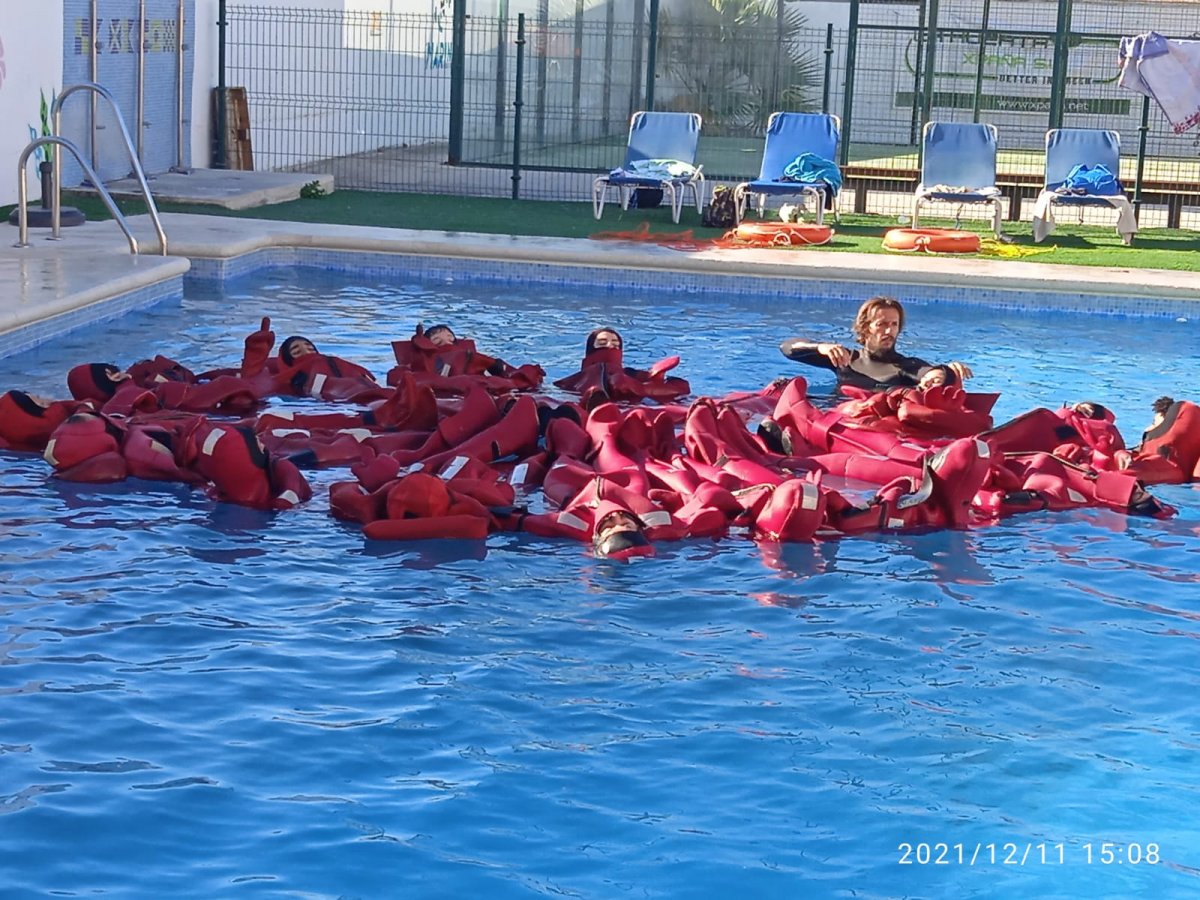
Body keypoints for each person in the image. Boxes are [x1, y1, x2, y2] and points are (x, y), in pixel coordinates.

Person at [779, 295, 972, 393]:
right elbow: (787, 348)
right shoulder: (845, 359)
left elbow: (927, 372)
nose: (889, 331)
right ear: (865, 327)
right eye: (882, 325)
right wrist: (820, 347)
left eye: (894, 325)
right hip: (838, 420)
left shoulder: (904, 366)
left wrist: (944, 373)